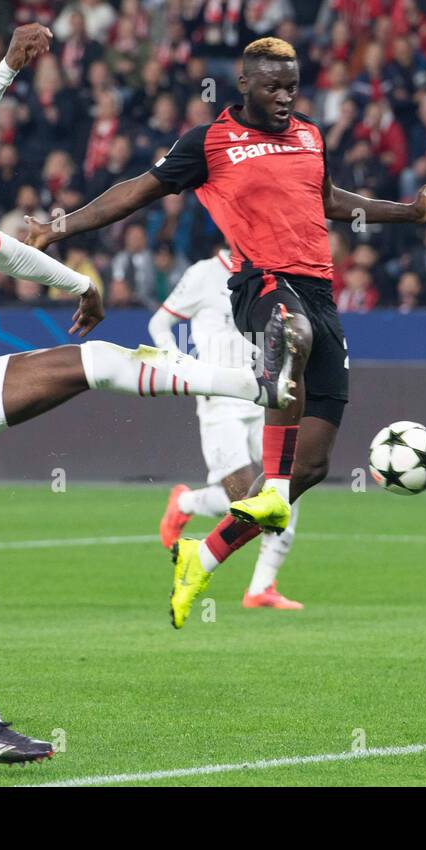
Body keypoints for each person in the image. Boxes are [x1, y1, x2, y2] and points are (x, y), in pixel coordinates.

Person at [0, 25, 294, 766]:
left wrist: (81, 284)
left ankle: (258, 380)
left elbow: (19, 255)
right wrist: (4, 70)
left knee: (93, 361)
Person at [26, 36, 426, 629]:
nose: (286, 97)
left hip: (320, 292)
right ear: (246, 86)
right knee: (290, 334)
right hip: (259, 284)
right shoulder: (208, 143)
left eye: (293, 86)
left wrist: (408, 212)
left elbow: (328, 199)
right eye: (274, 87)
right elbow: (137, 190)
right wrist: (60, 228)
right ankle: (270, 488)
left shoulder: (309, 134)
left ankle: (201, 555)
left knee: (312, 465)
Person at [150, 246, 303, 611]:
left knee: (286, 488)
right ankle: (187, 501)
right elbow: (160, 322)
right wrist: (177, 363)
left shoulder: (275, 269)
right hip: (219, 398)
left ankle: (261, 588)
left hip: (264, 395)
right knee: (242, 499)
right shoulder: (203, 273)